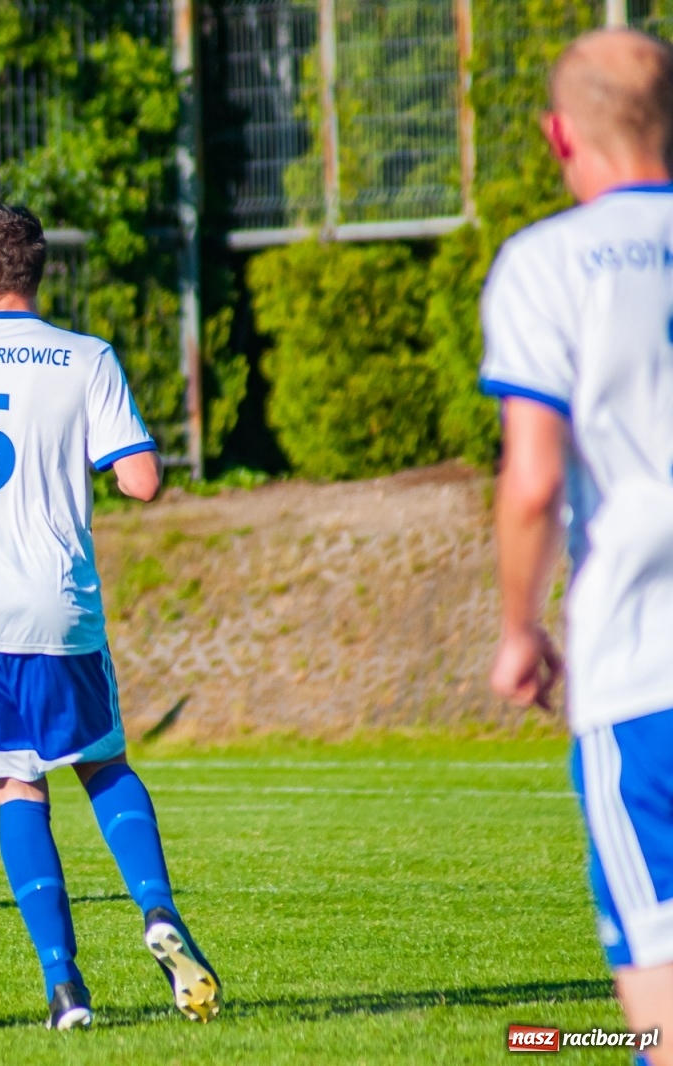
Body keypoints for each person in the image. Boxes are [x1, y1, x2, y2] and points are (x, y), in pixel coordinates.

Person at [0, 203, 221, 1029]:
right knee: (103, 762)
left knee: (16, 784)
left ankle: (65, 985)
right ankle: (157, 909)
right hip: (58, 603)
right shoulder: (86, 357)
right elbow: (141, 481)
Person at [481, 29, 673, 1064]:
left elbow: (535, 479)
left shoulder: (547, 263)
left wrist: (519, 628)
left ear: (560, 134)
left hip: (642, 666)